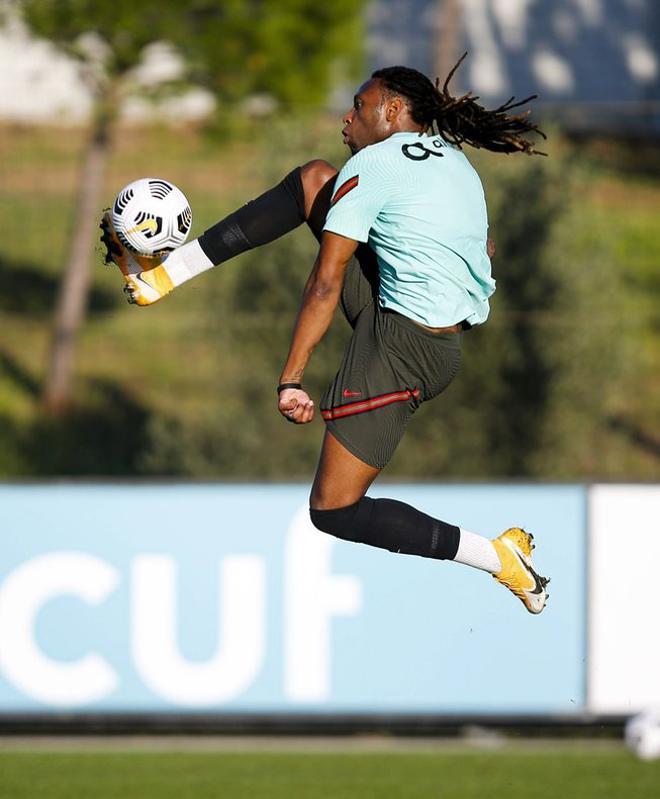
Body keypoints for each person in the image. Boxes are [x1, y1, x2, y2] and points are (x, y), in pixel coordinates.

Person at [101, 57, 550, 613]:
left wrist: (291, 378)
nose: (347, 118)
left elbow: (324, 283)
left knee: (334, 510)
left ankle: (499, 559)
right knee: (313, 180)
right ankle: (162, 278)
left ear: (392, 110)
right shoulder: (454, 161)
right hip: (411, 320)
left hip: (405, 350)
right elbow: (479, 250)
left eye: (359, 106)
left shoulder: (378, 166)